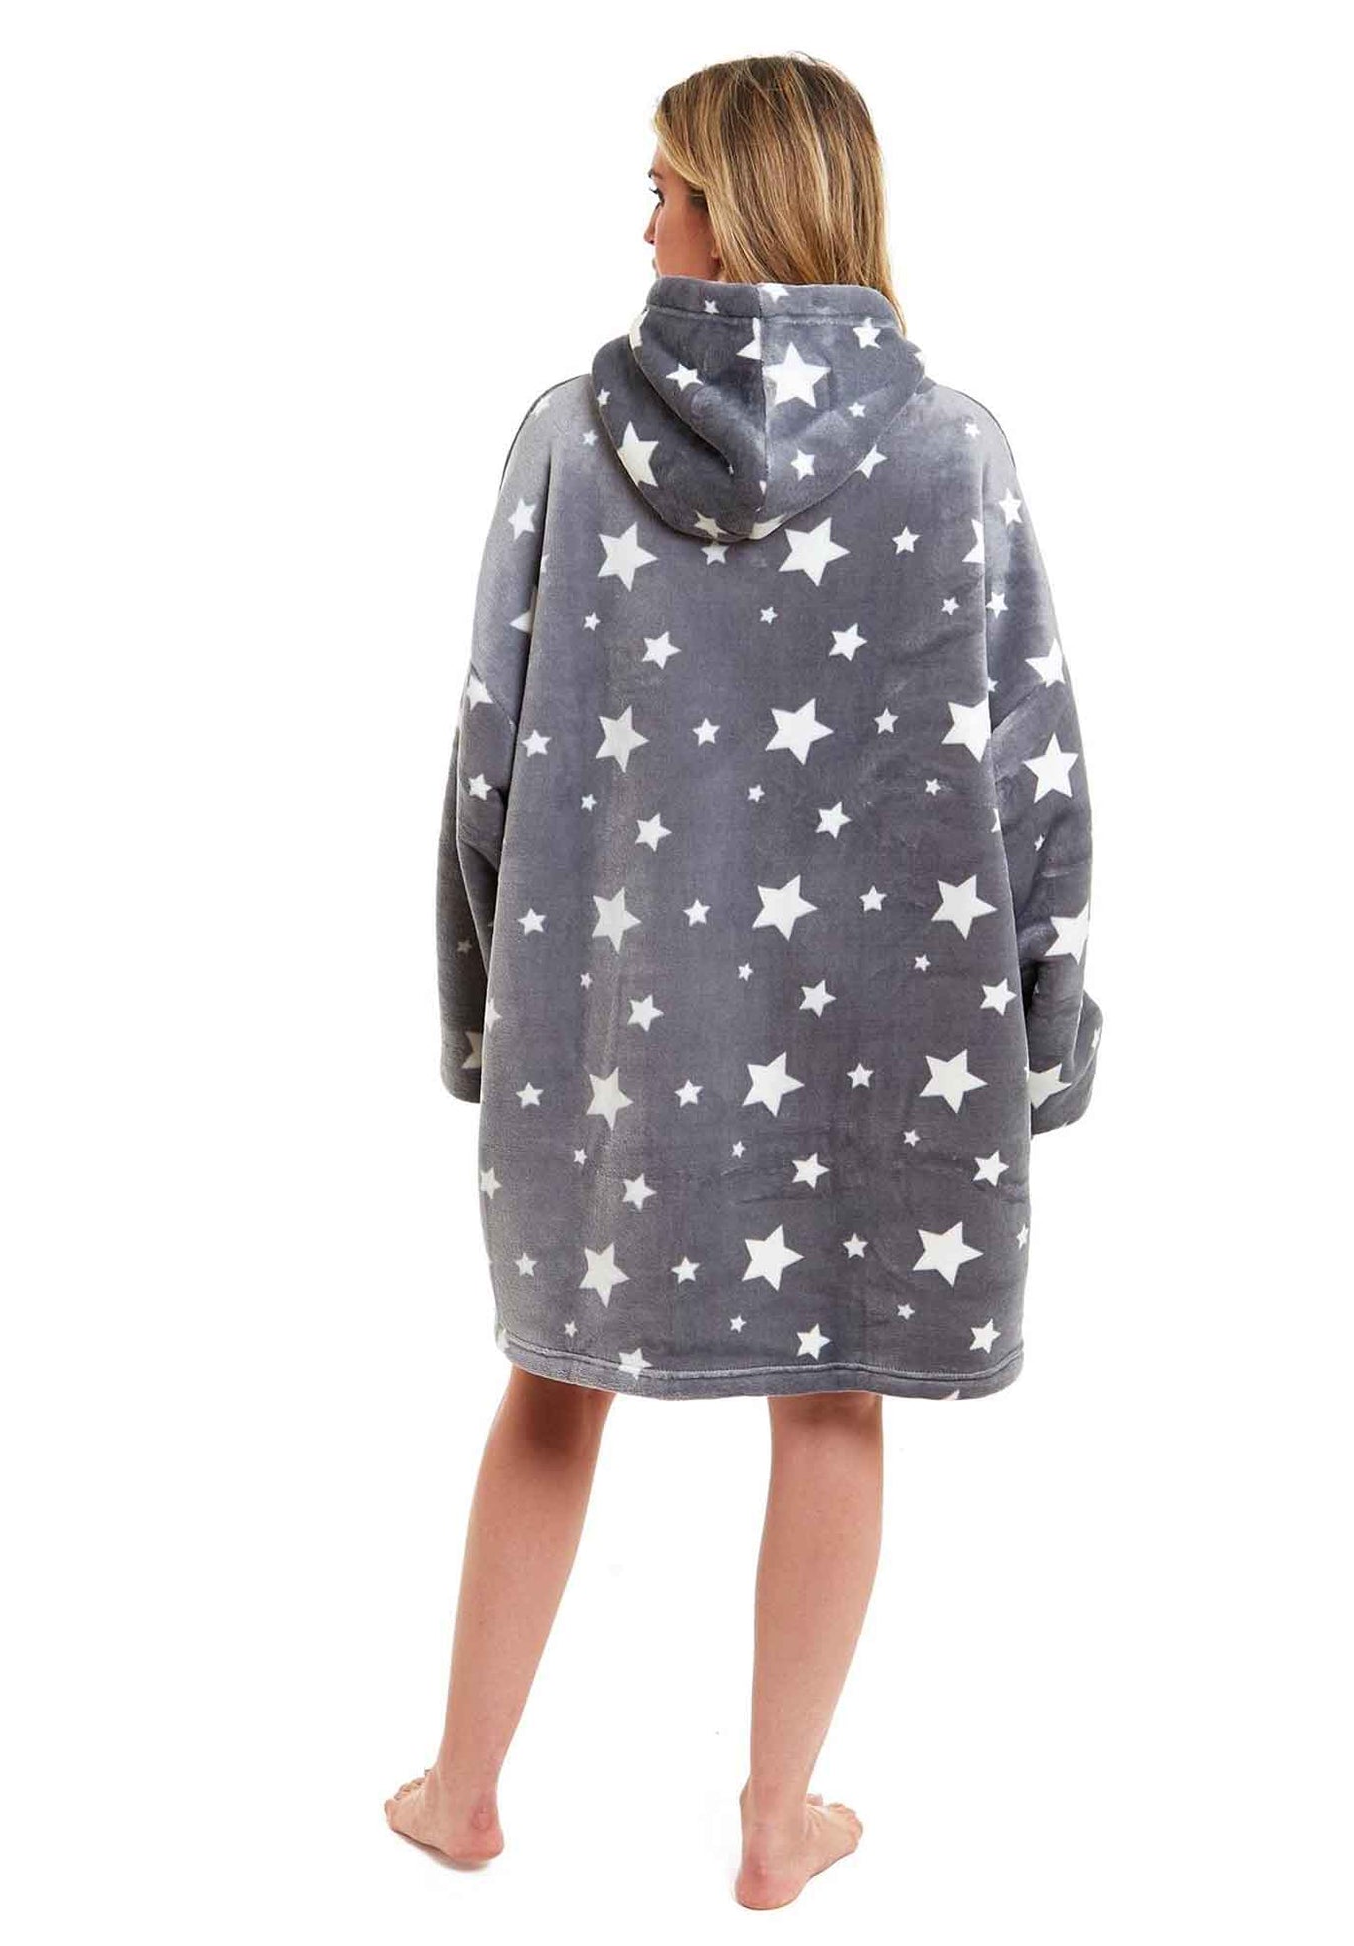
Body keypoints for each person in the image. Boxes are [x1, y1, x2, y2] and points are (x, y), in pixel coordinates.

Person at [387, 52, 1101, 1909]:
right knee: (836, 1397)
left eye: (663, 187)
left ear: (738, 207)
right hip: (884, 1043)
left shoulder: (566, 440)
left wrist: (478, 1020)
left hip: (607, 1037)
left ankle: (463, 1791)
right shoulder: (950, 452)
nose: (643, 223)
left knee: (553, 1386)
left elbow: (487, 763)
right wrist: (1042, 1033)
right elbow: (1033, 776)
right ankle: (778, 1826)